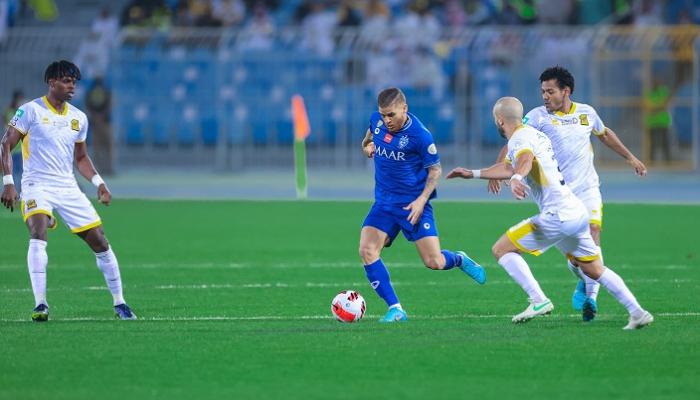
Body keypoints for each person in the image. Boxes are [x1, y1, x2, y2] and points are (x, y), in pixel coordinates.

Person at [447, 96, 653, 330]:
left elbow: (523, 160)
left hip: (557, 216)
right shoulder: (535, 134)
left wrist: (516, 177)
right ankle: (637, 312)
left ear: (499, 120)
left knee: (501, 249)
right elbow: (508, 166)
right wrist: (472, 173)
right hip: (575, 211)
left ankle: (538, 300)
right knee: (595, 269)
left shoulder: (519, 139)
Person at [489, 66, 647, 322]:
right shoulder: (537, 117)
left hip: (586, 189)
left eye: (550, 91)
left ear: (566, 91)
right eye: (542, 92)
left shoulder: (586, 113)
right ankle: (585, 280)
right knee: (578, 260)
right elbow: (514, 140)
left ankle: (591, 298)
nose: (545, 96)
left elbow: (604, 134)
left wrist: (631, 158)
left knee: (594, 233)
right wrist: (504, 171)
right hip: (558, 196)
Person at [0, 60, 136, 322]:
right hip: (36, 184)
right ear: (52, 83)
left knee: (100, 241)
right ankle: (40, 304)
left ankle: (120, 302)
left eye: (74, 81)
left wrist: (99, 183)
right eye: (66, 80)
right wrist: (8, 182)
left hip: (67, 186)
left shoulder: (78, 118)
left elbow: (81, 158)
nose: (71, 85)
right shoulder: (29, 111)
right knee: (37, 232)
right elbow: (6, 143)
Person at [359, 87, 485, 323]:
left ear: (404, 109)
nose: (386, 121)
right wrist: (366, 147)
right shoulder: (376, 121)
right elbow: (368, 139)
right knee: (367, 250)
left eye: (391, 115)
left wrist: (421, 200)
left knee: (434, 262)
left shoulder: (420, 135)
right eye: (383, 115)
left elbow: (435, 171)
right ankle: (396, 309)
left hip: (412, 206)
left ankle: (459, 259)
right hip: (384, 204)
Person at [2, 89, 24, 188]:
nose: (20, 102)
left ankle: (19, 194)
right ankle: (13, 192)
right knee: (13, 172)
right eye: (19, 99)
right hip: (11, 149)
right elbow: (10, 128)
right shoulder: (10, 112)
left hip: (21, 148)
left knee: (21, 172)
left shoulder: (20, 112)